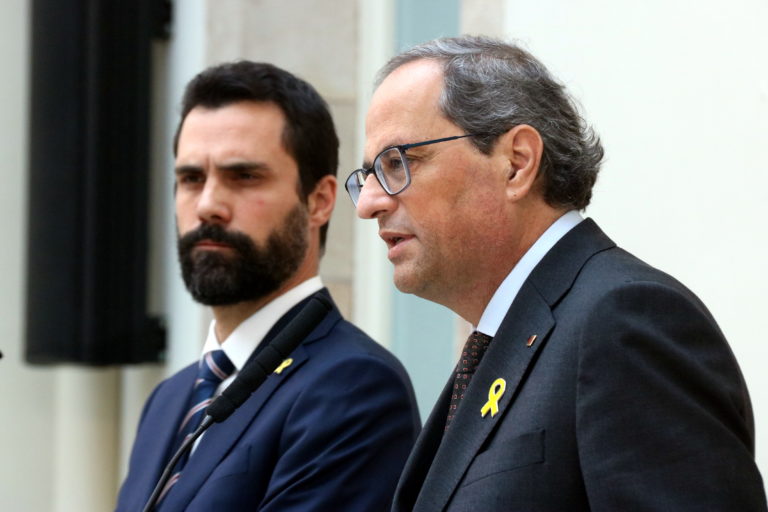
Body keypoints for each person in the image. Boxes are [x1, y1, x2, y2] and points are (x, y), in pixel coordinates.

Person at [346, 36, 766, 511]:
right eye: (368, 176)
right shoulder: (506, 340)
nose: (368, 204)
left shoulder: (624, 321)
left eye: (398, 163)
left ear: (516, 163)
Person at [116, 61, 420, 511]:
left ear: (319, 201)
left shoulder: (354, 388)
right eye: (191, 179)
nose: (208, 205)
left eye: (244, 177)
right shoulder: (168, 400)